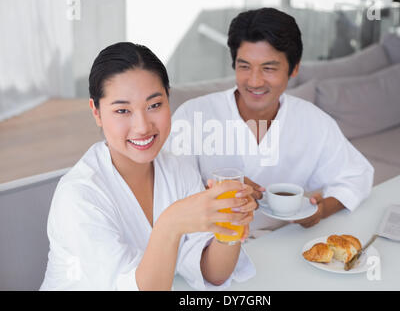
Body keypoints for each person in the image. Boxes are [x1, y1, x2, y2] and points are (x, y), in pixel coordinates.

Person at [40, 42, 256, 291]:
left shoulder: (178, 169)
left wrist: (229, 227)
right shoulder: (78, 196)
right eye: (123, 110)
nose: (142, 126)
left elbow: (213, 273)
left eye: (154, 105)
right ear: (96, 112)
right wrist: (171, 224)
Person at [168, 8, 374, 235]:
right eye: (244, 66)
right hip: (206, 244)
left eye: (268, 68)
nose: (254, 81)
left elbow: (356, 176)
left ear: (294, 68)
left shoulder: (313, 122)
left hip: (281, 242)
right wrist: (220, 191)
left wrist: (320, 211)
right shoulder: (193, 115)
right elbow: (167, 190)